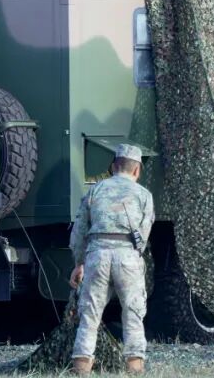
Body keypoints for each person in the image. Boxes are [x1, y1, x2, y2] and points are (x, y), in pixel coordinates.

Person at [67, 144, 155, 375]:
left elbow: (78, 232)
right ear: (137, 171)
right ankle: (135, 366)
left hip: (97, 256)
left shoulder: (95, 191)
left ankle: (82, 364)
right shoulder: (144, 195)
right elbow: (144, 235)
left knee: (90, 313)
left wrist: (79, 264)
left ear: (113, 167)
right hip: (128, 256)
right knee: (133, 311)